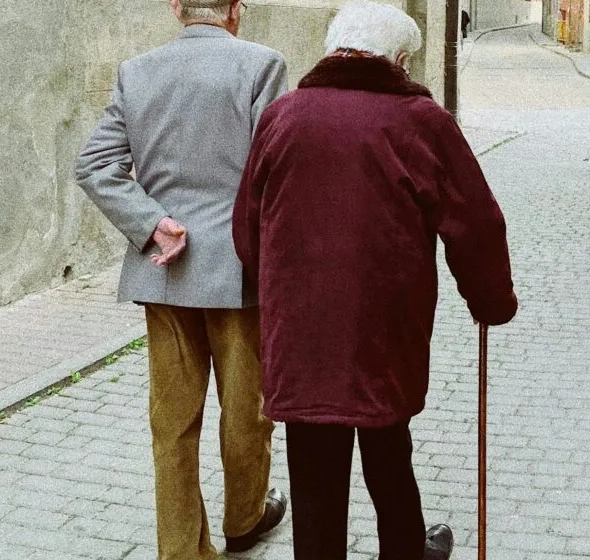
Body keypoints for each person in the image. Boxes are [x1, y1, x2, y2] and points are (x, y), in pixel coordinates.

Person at [232, 1, 518, 559]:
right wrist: (491, 299)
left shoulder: (282, 116)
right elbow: (477, 223)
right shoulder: (421, 122)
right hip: (384, 332)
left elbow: (248, 226)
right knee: (389, 452)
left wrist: (276, 290)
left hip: (302, 335)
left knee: (313, 469)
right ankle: (406, 550)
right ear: (401, 60)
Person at [74, 0, 289, 558]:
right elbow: (277, 169)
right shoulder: (263, 65)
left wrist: (151, 224)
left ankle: (182, 551)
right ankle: (244, 519)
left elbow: (94, 164)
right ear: (236, 10)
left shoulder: (136, 70)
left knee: (171, 422)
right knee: (246, 412)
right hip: (240, 272)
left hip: (165, 270)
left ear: (176, 9)